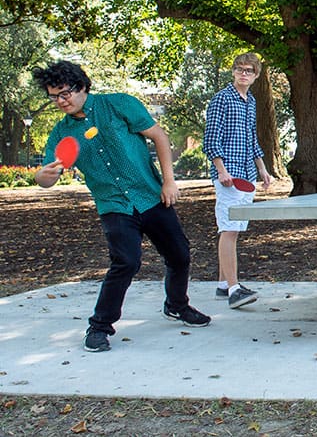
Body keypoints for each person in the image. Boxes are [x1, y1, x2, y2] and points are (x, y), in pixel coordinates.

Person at [33, 60, 210, 353]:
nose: (60, 101)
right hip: (114, 204)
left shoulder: (119, 105)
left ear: (82, 87)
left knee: (179, 254)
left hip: (151, 195)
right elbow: (45, 176)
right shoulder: (61, 132)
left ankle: (177, 305)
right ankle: (99, 327)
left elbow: (160, 137)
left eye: (65, 93)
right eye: (54, 97)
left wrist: (169, 182)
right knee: (126, 261)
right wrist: (45, 177)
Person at [203, 53, 272, 310]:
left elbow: (252, 139)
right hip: (229, 176)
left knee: (236, 229)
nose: (244, 74)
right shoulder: (222, 99)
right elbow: (211, 138)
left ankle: (223, 284)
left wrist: (262, 169)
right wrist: (221, 170)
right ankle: (234, 289)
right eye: (240, 69)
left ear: (255, 76)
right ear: (233, 72)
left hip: (247, 175)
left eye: (249, 71)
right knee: (229, 230)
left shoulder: (250, 101)